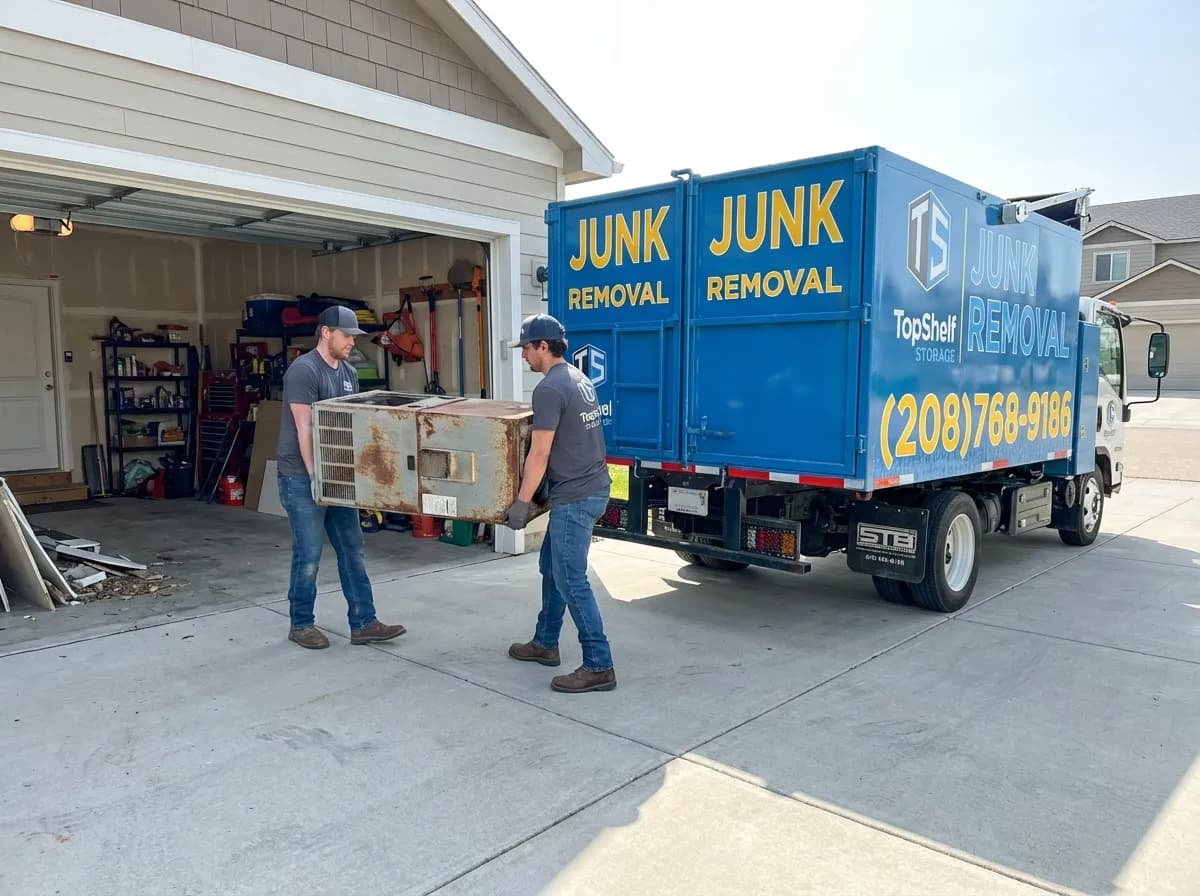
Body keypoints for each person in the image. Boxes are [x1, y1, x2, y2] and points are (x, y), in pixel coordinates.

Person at [276, 305, 406, 650]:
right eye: (347, 335)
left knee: (352, 547)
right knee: (309, 551)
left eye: (354, 336)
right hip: (301, 476)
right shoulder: (303, 371)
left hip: (339, 476)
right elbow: (304, 428)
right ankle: (301, 623)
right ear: (326, 333)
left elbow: (350, 425)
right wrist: (314, 475)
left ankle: (364, 622)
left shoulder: (348, 372)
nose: (352, 342)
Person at [504, 313, 616, 693]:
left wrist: (521, 502)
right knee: (551, 569)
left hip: (576, 496)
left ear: (543, 346)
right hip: (592, 486)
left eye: (527, 349)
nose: (523, 357)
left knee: (570, 578)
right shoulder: (578, 378)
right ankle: (546, 642)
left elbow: (539, 453)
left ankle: (599, 664)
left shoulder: (550, 389)